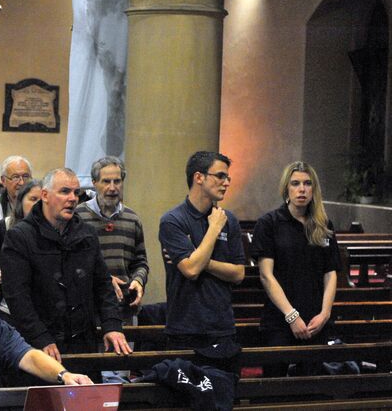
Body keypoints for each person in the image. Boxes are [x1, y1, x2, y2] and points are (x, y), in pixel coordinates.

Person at [1, 169, 130, 366]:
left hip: (83, 344)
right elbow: (17, 297)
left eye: (76, 193)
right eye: (64, 191)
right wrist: (41, 337)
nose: (72, 198)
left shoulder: (87, 234)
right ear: (45, 195)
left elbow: (103, 285)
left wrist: (111, 325)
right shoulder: (20, 236)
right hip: (40, 345)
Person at [253, 161, 340, 377]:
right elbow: (266, 275)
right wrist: (292, 316)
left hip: (315, 320)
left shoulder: (323, 224)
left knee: (310, 387)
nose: (302, 189)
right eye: (295, 183)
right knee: (274, 384)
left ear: (314, 189)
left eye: (307, 183)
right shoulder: (269, 223)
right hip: (279, 318)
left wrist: (325, 314)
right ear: (286, 188)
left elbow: (330, 272)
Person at [159, 151, 245, 350]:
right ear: (199, 177)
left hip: (222, 327)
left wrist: (197, 257)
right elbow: (191, 271)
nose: (226, 183)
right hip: (185, 327)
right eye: (220, 176)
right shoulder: (173, 220)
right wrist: (213, 229)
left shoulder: (229, 220)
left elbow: (238, 273)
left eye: (228, 177)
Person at [74, 156, 149, 319]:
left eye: (117, 181)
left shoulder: (132, 219)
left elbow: (140, 262)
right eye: (106, 181)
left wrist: (138, 280)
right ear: (94, 182)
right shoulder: (77, 217)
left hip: (124, 309)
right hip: (88, 310)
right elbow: (71, 263)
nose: (112, 188)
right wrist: (103, 279)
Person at [0, 180, 41, 323]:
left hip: (41, 312)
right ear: (20, 202)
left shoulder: (55, 234)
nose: (38, 205)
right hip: (5, 311)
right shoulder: (1, 229)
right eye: (33, 199)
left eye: (42, 200)